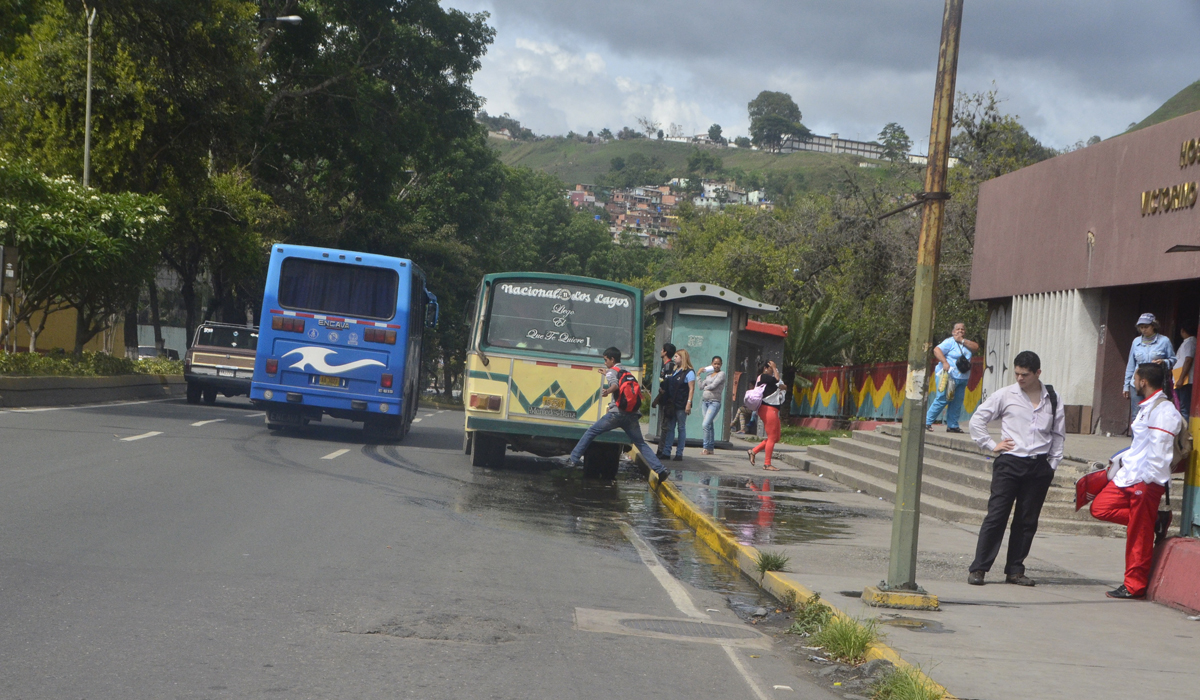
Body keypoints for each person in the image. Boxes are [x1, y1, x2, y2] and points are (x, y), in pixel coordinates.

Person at [966, 350, 1065, 586]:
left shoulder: (1052, 397)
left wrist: (1052, 464)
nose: (1020, 378)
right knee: (997, 516)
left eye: (1025, 374)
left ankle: (1015, 570)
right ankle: (979, 568)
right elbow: (977, 420)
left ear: (1037, 373)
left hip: (1038, 465)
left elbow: (1058, 433)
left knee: (1027, 520)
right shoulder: (1006, 395)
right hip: (1010, 463)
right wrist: (991, 445)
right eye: (1017, 373)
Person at [1092, 363, 1184, 599]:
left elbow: (1159, 453)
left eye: (1135, 378)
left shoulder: (1164, 411)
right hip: (1130, 476)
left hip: (1146, 481)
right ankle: (1154, 520)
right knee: (1100, 507)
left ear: (1143, 381)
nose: (1132, 382)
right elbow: (1140, 447)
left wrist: (1146, 481)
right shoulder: (1147, 407)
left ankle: (1134, 586)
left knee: (1138, 535)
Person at [566, 346, 670, 482]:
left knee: (591, 432)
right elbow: (620, 381)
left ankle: (573, 459)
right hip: (632, 415)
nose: (605, 363)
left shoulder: (611, 373)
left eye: (606, 360)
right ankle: (660, 470)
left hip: (616, 414)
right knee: (640, 444)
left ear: (612, 359)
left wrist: (608, 391)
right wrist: (607, 373)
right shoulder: (626, 371)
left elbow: (615, 385)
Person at [926, 322, 979, 434]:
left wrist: (962, 341)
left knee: (957, 401)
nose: (960, 331)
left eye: (962, 329)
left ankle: (952, 425)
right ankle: (927, 422)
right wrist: (944, 362)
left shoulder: (967, 343)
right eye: (958, 329)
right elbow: (936, 350)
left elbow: (976, 347)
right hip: (948, 376)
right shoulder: (949, 342)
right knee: (942, 399)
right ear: (953, 332)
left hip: (962, 377)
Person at [1123, 313, 1175, 425]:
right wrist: (1126, 385)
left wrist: (1164, 361)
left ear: (1153, 326)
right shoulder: (1136, 342)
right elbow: (1131, 365)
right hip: (1136, 383)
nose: (1143, 330)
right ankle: (1136, 442)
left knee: (1154, 413)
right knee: (1136, 415)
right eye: (1141, 327)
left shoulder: (1164, 341)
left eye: (1146, 327)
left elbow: (1173, 359)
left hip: (1154, 384)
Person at [747, 360, 786, 471]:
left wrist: (783, 387)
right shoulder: (763, 377)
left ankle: (753, 451)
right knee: (772, 437)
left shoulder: (769, 381)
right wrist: (774, 367)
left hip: (773, 410)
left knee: (776, 437)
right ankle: (767, 464)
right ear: (765, 368)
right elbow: (777, 379)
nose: (773, 370)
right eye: (770, 368)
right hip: (768, 409)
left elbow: (781, 385)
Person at [661, 349, 696, 461]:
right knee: (670, 428)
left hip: (682, 404)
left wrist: (689, 403)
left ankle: (679, 453)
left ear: (682, 358)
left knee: (681, 428)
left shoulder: (689, 372)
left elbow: (691, 389)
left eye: (676, 356)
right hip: (672, 404)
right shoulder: (675, 370)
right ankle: (667, 452)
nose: (674, 358)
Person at [651, 343, 678, 458]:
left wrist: (664, 395)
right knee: (663, 425)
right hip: (663, 400)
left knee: (665, 426)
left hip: (667, 401)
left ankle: (662, 450)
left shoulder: (669, 366)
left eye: (662, 350)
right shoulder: (665, 366)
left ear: (665, 352)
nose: (660, 351)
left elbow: (668, 385)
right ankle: (661, 449)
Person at [698, 356, 726, 455]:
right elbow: (701, 386)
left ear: (721, 364)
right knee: (709, 425)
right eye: (714, 363)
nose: (716, 365)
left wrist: (706, 388)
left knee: (705, 424)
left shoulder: (721, 374)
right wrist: (698, 375)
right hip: (705, 402)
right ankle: (710, 448)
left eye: (718, 364)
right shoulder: (708, 375)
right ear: (711, 364)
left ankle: (705, 447)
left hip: (714, 402)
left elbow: (714, 385)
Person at [1175, 322, 1195, 422]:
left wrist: (1181, 378)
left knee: (1184, 407)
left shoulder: (1190, 342)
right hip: (1181, 378)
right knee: (1180, 406)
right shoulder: (1187, 342)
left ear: (1183, 330)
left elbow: (1188, 360)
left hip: (1185, 380)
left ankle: (1184, 434)